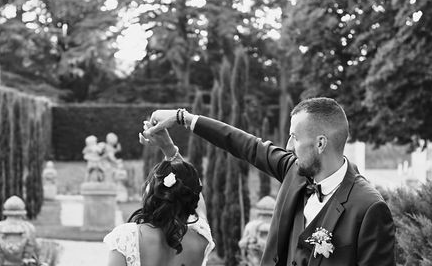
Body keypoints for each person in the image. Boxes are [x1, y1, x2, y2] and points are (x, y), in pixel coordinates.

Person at [145, 97, 396, 266]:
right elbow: (244, 144)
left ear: (320, 143)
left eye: (294, 138)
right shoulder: (293, 170)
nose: (287, 146)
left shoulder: (369, 208)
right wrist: (184, 118)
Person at [103, 126, 215, 266]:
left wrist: (168, 148)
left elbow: (194, 189)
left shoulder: (127, 237)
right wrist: (170, 149)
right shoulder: (201, 238)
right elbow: (195, 188)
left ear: (151, 191)